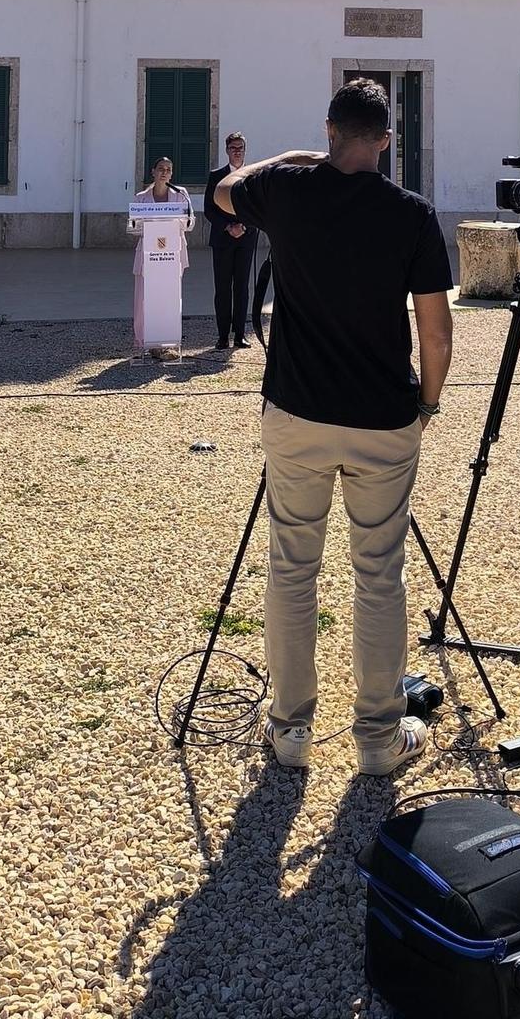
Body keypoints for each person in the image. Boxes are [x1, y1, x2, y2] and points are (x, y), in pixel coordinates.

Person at [216, 78, 453, 776]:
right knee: (379, 573)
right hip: (382, 416)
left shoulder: (287, 191)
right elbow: (435, 334)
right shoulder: (412, 213)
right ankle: (379, 738)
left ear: (329, 131)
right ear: (386, 140)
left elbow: (228, 188)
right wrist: (429, 405)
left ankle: (290, 730)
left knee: (294, 567)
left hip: (297, 409)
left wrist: (297, 155)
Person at [131, 156, 194, 355]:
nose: (164, 172)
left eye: (168, 169)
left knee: (171, 298)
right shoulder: (142, 197)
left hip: (172, 254)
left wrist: (175, 223)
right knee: (144, 299)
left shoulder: (180, 195)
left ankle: (169, 341)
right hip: (149, 255)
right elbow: (133, 226)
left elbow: (190, 222)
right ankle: (146, 341)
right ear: (153, 172)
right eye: (161, 169)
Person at [205, 131, 258, 350]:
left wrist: (243, 227)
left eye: (240, 148)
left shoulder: (253, 175)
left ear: (245, 150)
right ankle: (222, 335)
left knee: (242, 288)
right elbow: (209, 209)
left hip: (245, 238)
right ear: (227, 150)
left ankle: (239, 334)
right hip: (222, 239)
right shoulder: (216, 176)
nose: (237, 152)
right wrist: (228, 227)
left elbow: (258, 206)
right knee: (223, 288)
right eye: (233, 148)